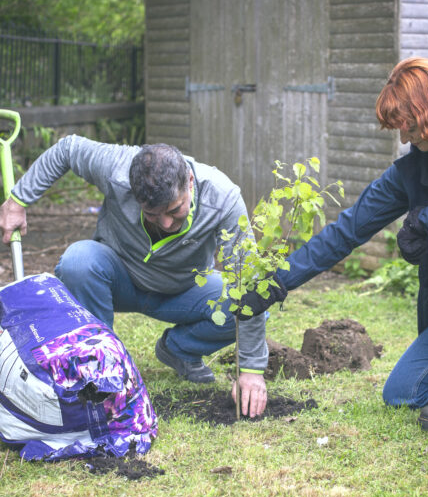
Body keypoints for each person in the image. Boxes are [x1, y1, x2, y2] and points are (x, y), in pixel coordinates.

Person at [239, 57, 428, 433]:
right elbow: (346, 231)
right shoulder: (415, 168)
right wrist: (275, 283)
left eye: (410, 125)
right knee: (404, 392)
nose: (405, 138)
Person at [0, 139, 268, 418]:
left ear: (190, 181)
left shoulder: (222, 198)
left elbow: (247, 280)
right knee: (78, 261)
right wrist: (18, 200)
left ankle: (178, 349)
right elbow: (68, 149)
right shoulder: (116, 167)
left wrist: (250, 369)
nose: (165, 223)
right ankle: (100, 370)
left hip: (182, 291)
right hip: (118, 280)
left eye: (174, 210)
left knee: (244, 307)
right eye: (152, 213)